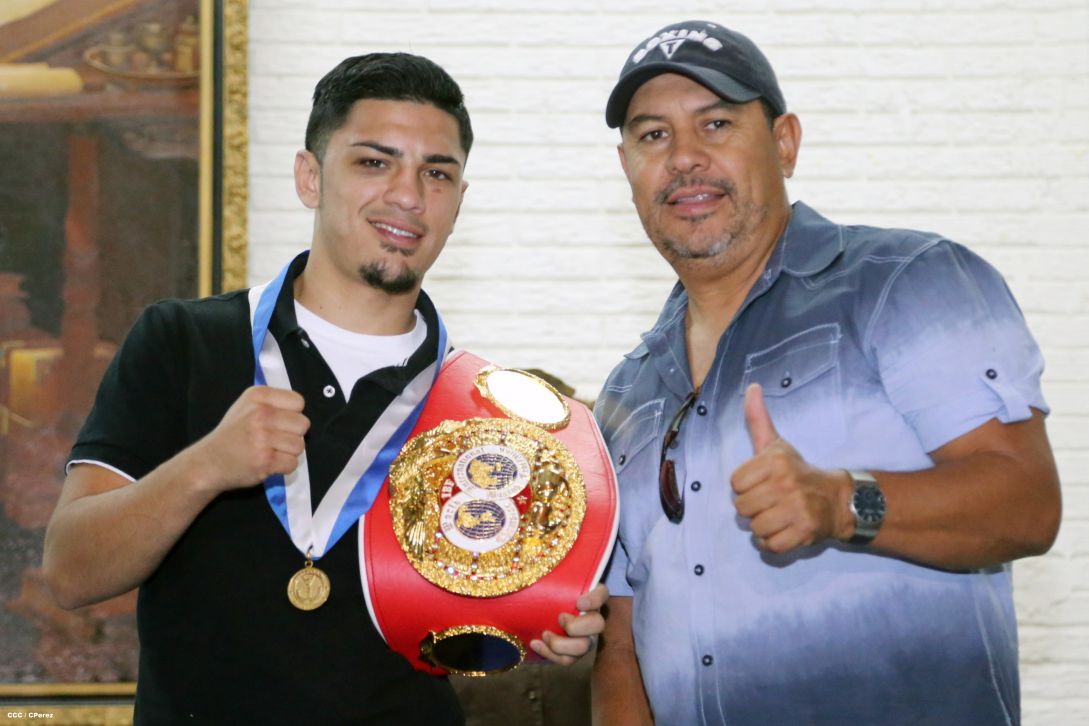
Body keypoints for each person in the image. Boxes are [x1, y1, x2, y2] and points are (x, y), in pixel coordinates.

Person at [42, 52, 605, 725]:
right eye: (374, 162)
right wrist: (206, 466)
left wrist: (544, 623)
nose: (407, 194)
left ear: (458, 202)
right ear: (310, 177)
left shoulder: (482, 413)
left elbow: (475, 636)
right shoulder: (184, 342)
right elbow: (72, 572)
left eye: (436, 173)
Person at [590, 20, 1061, 726]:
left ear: (784, 143)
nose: (683, 157)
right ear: (626, 165)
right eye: (652, 135)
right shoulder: (627, 392)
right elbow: (622, 639)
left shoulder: (907, 282)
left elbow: (1026, 504)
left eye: (714, 123)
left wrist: (841, 502)